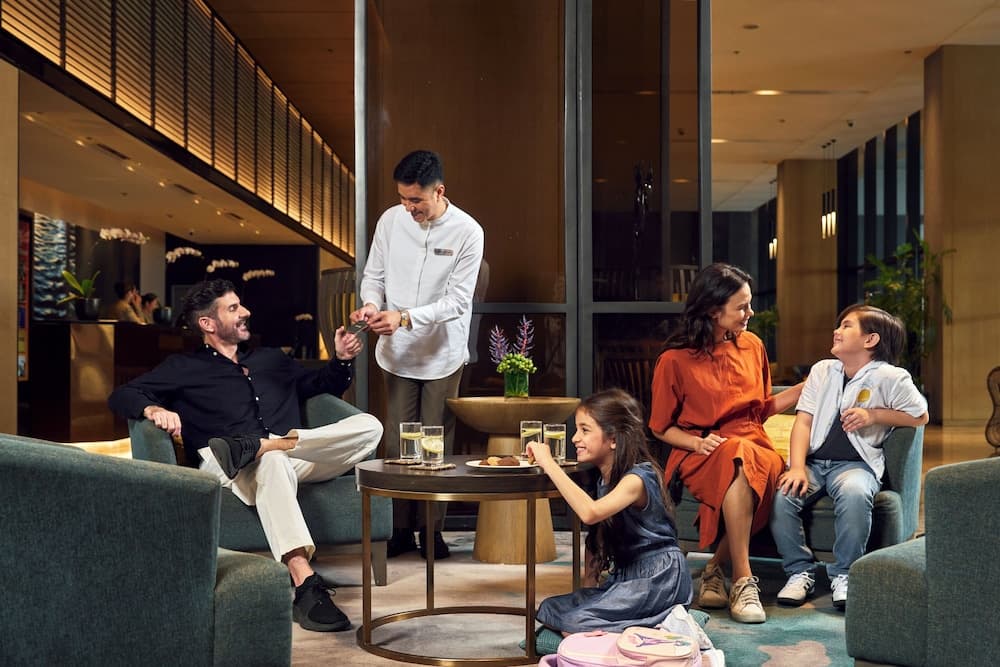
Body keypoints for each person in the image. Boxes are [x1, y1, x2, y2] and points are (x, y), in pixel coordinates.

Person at [108, 279, 383, 633]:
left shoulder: (271, 359)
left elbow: (317, 386)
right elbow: (122, 395)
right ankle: (305, 584)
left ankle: (264, 445)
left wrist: (341, 359)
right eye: (234, 308)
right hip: (225, 462)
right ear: (208, 323)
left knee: (370, 426)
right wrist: (152, 409)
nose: (246, 312)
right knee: (270, 461)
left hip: (288, 452)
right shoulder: (183, 367)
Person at [648, 262, 802, 624]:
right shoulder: (674, 361)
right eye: (742, 307)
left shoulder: (753, 346)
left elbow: (761, 409)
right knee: (737, 455)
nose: (751, 313)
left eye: (750, 304)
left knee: (744, 455)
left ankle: (716, 569)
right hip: (702, 449)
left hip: (754, 443)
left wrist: (804, 388)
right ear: (713, 311)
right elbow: (660, 428)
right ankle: (744, 580)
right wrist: (695, 443)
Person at [350, 149, 484, 560]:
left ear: (439, 191)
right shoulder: (391, 221)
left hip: (442, 352)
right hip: (397, 352)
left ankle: (431, 531)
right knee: (397, 441)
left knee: (434, 443)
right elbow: (373, 277)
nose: (408, 208)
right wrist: (371, 305)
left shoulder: (468, 231)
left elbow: (457, 302)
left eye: (416, 200)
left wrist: (405, 317)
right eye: (403, 198)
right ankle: (399, 529)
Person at [770, 304, 928, 610]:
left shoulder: (891, 377)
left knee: (855, 494)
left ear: (870, 339)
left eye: (846, 326)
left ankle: (844, 574)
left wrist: (874, 415)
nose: (836, 331)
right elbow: (803, 423)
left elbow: (920, 415)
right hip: (814, 464)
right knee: (782, 496)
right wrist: (797, 467)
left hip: (856, 466)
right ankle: (799, 572)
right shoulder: (822, 371)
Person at [526, 389, 692, 634]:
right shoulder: (602, 480)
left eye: (585, 430)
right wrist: (589, 595)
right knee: (550, 609)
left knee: (574, 623)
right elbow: (596, 540)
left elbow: (590, 513)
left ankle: (660, 627)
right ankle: (618, 630)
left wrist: (548, 463)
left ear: (613, 439)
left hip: (659, 578)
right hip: (625, 579)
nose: (574, 438)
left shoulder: (637, 479)